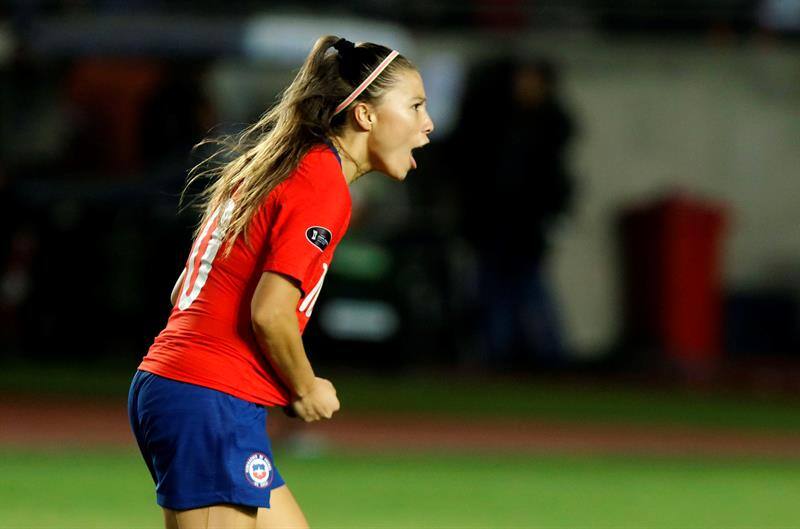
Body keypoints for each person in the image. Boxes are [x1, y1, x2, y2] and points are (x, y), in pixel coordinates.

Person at [127, 35, 434, 529]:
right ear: (366, 115)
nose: (427, 124)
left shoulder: (277, 167)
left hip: (192, 389)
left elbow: (186, 290)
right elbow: (269, 312)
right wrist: (305, 385)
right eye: (416, 105)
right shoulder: (322, 183)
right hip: (208, 395)